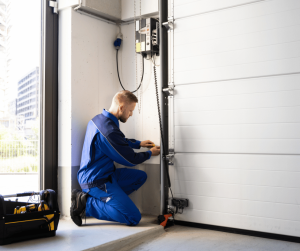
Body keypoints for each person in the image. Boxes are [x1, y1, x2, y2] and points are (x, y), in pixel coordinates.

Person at [71, 90, 161, 226]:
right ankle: (86, 204)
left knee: (140, 177)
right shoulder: (108, 131)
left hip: (107, 174)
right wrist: (149, 153)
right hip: (96, 181)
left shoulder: (99, 120)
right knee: (133, 217)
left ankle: (111, 202)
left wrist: (139, 143)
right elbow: (130, 159)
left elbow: (119, 141)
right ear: (122, 107)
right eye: (130, 111)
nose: (131, 114)